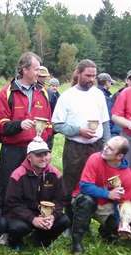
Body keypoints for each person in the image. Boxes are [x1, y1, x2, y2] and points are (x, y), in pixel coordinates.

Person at [52, 59, 110, 224]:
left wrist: (107, 145)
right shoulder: (67, 96)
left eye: (94, 76)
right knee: (71, 183)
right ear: (78, 73)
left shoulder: (98, 94)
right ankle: (70, 222)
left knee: (95, 183)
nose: (91, 79)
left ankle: (87, 220)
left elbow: (105, 122)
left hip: (97, 147)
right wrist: (79, 131)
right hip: (75, 148)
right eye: (88, 75)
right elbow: (57, 124)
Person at [0, 51, 53, 205]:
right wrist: (19, 125)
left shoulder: (43, 93)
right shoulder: (6, 93)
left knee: (36, 187)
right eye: (36, 69)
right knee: (9, 186)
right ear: (24, 70)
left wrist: (44, 145)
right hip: (13, 150)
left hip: (37, 151)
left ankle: (32, 220)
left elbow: (49, 124)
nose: (39, 73)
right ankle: (7, 222)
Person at [70, 136, 131, 255]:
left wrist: (123, 222)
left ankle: (106, 232)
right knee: (86, 201)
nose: (105, 149)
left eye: (110, 149)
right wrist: (108, 194)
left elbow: (125, 202)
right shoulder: (95, 158)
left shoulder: (127, 175)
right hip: (85, 198)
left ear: (119, 156)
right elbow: (84, 186)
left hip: (106, 206)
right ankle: (76, 242)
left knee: (117, 225)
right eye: (106, 145)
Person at [4, 140, 70, 251]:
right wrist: (32, 219)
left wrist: (52, 216)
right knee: (17, 227)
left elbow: (60, 200)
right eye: (39, 155)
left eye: (46, 154)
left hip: (46, 214)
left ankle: (41, 240)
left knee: (64, 221)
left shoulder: (55, 173)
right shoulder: (18, 174)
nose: (44, 158)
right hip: (24, 215)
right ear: (29, 157)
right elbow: (12, 203)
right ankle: (14, 241)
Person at [97, 72, 121, 136]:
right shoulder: (105, 97)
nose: (111, 85)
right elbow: (108, 115)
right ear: (107, 82)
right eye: (110, 83)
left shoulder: (94, 92)